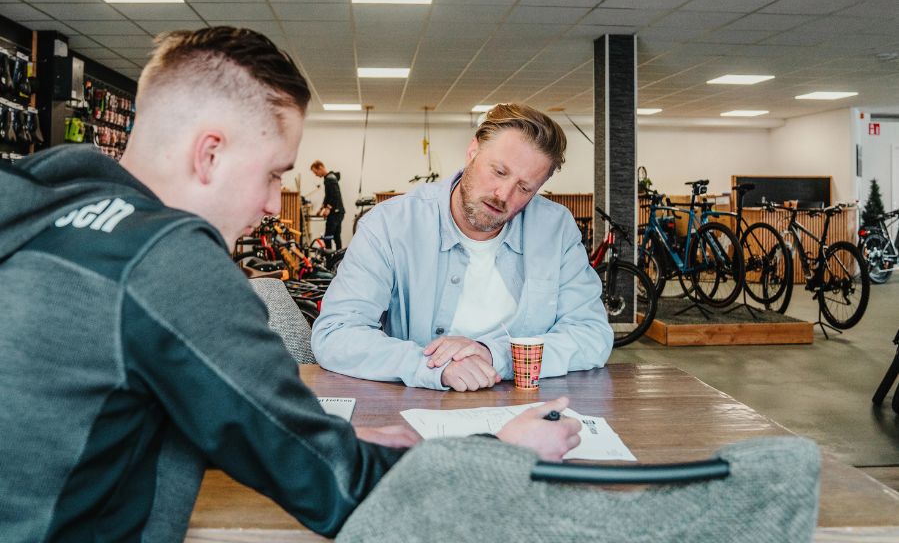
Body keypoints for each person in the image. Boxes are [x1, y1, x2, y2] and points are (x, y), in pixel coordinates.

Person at [0, 29, 581, 541]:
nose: (274, 203)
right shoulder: (167, 261)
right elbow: (334, 488)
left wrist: (317, 437)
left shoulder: (45, 201)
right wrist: (500, 455)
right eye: (275, 173)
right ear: (209, 154)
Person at [313, 103, 614, 392]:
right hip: (417, 407)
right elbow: (336, 334)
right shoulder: (390, 225)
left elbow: (591, 333)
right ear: (472, 151)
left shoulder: (555, 229)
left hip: (525, 408)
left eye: (524, 188)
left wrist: (493, 355)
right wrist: (434, 366)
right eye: (498, 171)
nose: (503, 195)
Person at [310, 159, 345, 249]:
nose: (316, 175)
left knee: (327, 237)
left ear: (320, 167)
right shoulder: (330, 178)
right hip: (339, 212)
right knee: (336, 237)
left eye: (315, 172)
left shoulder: (330, 179)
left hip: (335, 213)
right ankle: (338, 260)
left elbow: (335, 195)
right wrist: (321, 208)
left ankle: (330, 261)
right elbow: (328, 196)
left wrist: (328, 208)